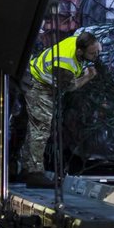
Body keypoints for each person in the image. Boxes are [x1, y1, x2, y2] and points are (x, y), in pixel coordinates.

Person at [21, 30, 101, 186]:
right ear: (79, 51)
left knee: (33, 127)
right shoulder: (65, 65)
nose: (96, 55)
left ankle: (24, 168)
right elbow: (71, 86)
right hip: (39, 85)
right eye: (93, 54)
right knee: (40, 129)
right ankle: (34, 174)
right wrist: (88, 76)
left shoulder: (79, 41)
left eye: (98, 51)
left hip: (38, 77)